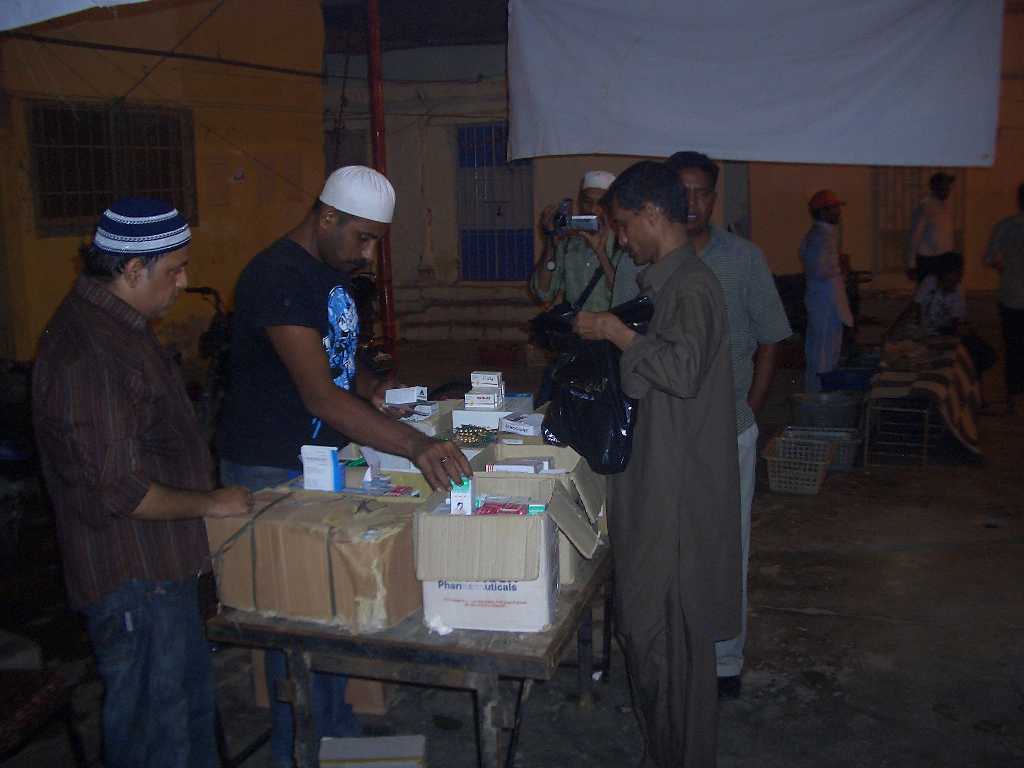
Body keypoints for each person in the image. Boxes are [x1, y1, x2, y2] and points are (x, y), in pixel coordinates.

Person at [218, 165, 471, 767]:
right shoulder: (277, 277)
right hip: (271, 464)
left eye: (375, 240)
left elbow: (338, 363)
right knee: (295, 622)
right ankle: (300, 751)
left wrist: (375, 393)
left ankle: (335, 735)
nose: (368, 253)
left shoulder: (330, 272)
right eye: (363, 238)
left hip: (320, 459)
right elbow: (319, 396)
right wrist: (413, 444)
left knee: (329, 609)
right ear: (326, 216)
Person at [32, 199, 254, 768]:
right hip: (134, 576)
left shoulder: (119, 326)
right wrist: (212, 503)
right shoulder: (89, 352)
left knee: (186, 715)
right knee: (158, 732)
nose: (183, 282)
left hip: (163, 569)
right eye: (174, 269)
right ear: (133, 270)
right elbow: (122, 490)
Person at [574, 161, 740, 768]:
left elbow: (680, 370)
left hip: (676, 500)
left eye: (623, 225)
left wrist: (615, 332)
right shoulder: (667, 285)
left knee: (666, 643)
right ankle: (666, 751)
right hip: (657, 480)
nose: (621, 240)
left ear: (651, 214)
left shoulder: (691, 286)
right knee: (650, 640)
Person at [665, 151, 792, 699]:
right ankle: (672, 648)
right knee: (669, 544)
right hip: (664, 433)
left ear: (714, 199)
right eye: (682, 192)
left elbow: (771, 339)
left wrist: (749, 410)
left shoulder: (743, 259)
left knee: (726, 545)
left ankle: (723, 660)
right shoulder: (645, 257)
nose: (691, 203)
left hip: (728, 428)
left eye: (702, 193)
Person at [531, 170, 641, 312]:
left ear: (613, 206)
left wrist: (601, 254)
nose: (593, 209)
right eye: (587, 202)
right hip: (576, 326)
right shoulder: (569, 245)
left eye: (601, 203)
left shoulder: (625, 245)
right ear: (580, 202)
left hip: (611, 326)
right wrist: (550, 242)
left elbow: (625, 296)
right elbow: (542, 292)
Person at [800, 190, 854, 392]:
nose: (839, 212)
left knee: (828, 353)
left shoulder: (825, 234)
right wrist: (841, 266)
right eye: (834, 208)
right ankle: (818, 398)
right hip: (824, 304)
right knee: (822, 353)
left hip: (829, 303)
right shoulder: (819, 236)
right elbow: (819, 269)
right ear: (823, 212)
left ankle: (823, 395)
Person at [984, 183, 1024, 414]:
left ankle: (1013, 396)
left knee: (1013, 347)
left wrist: (1007, 269)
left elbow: (991, 258)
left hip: (1012, 296)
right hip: (1013, 295)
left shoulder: (1006, 226)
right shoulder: (1007, 226)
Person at [907, 172, 957, 283]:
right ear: (935, 187)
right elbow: (915, 236)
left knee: (942, 291)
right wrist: (911, 264)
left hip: (945, 258)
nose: (947, 189)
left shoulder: (947, 206)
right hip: (928, 259)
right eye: (944, 185)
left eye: (948, 186)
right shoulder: (925, 206)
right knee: (927, 291)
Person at [914, 253, 966, 336]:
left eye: (959, 274)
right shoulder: (929, 282)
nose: (958, 278)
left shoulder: (958, 289)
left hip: (945, 331)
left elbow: (957, 317)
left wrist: (955, 329)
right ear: (943, 274)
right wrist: (920, 326)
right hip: (925, 330)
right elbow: (917, 305)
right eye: (954, 274)